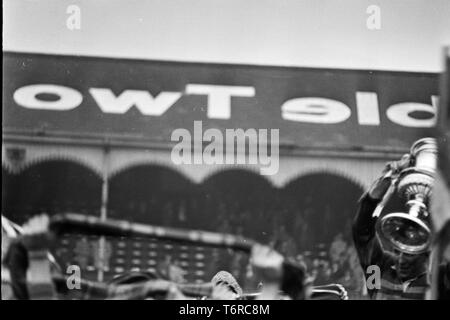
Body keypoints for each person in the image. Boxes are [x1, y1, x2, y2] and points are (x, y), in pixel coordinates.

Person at [352, 155, 432, 299]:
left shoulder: (437, 282)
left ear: (426, 253)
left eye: (408, 253)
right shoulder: (378, 269)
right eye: (397, 251)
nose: (400, 260)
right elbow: (362, 232)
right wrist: (386, 181)